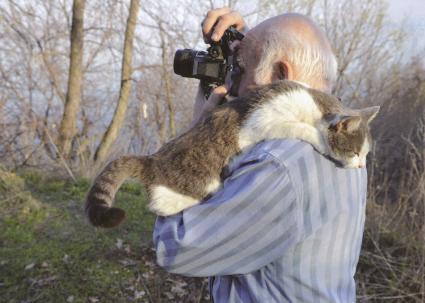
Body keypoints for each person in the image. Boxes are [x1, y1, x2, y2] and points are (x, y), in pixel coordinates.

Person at [154, 8, 367, 303]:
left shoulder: (280, 162)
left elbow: (174, 248)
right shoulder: (344, 136)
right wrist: (250, 46)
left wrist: (195, 137)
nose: (234, 87)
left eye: (240, 71)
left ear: (281, 73)